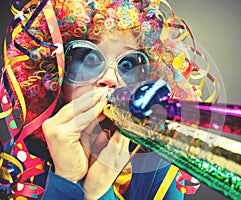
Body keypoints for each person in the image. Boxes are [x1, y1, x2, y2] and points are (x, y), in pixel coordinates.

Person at [0, 0, 201, 199]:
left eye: (129, 64)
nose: (110, 79)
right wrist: (66, 179)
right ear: (55, 74)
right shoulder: (24, 163)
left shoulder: (159, 164)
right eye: (89, 58)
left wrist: (98, 193)